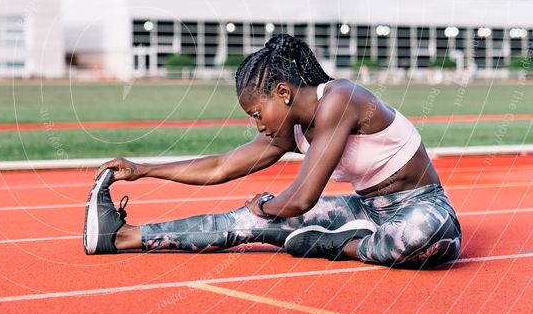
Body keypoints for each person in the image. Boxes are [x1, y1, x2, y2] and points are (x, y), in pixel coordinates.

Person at [83, 34, 461, 269]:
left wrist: (265, 206)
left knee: (426, 233)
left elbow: (301, 199)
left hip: (421, 205)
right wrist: (143, 169)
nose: (258, 124)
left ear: (283, 92)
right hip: (366, 210)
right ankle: (122, 237)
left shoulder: (341, 100)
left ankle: (339, 243)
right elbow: (220, 167)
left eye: (257, 113)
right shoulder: (288, 129)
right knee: (244, 222)